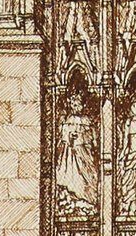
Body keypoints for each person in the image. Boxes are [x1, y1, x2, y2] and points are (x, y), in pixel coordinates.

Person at [55, 91, 99, 220]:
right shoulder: (68, 121)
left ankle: (88, 203)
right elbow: (63, 140)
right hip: (71, 155)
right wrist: (70, 138)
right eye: (73, 104)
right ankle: (74, 203)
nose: (76, 106)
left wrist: (87, 140)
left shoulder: (87, 121)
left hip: (84, 154)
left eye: (78, 104)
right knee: (73, 178)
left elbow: (94, 139)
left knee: (86, 179)